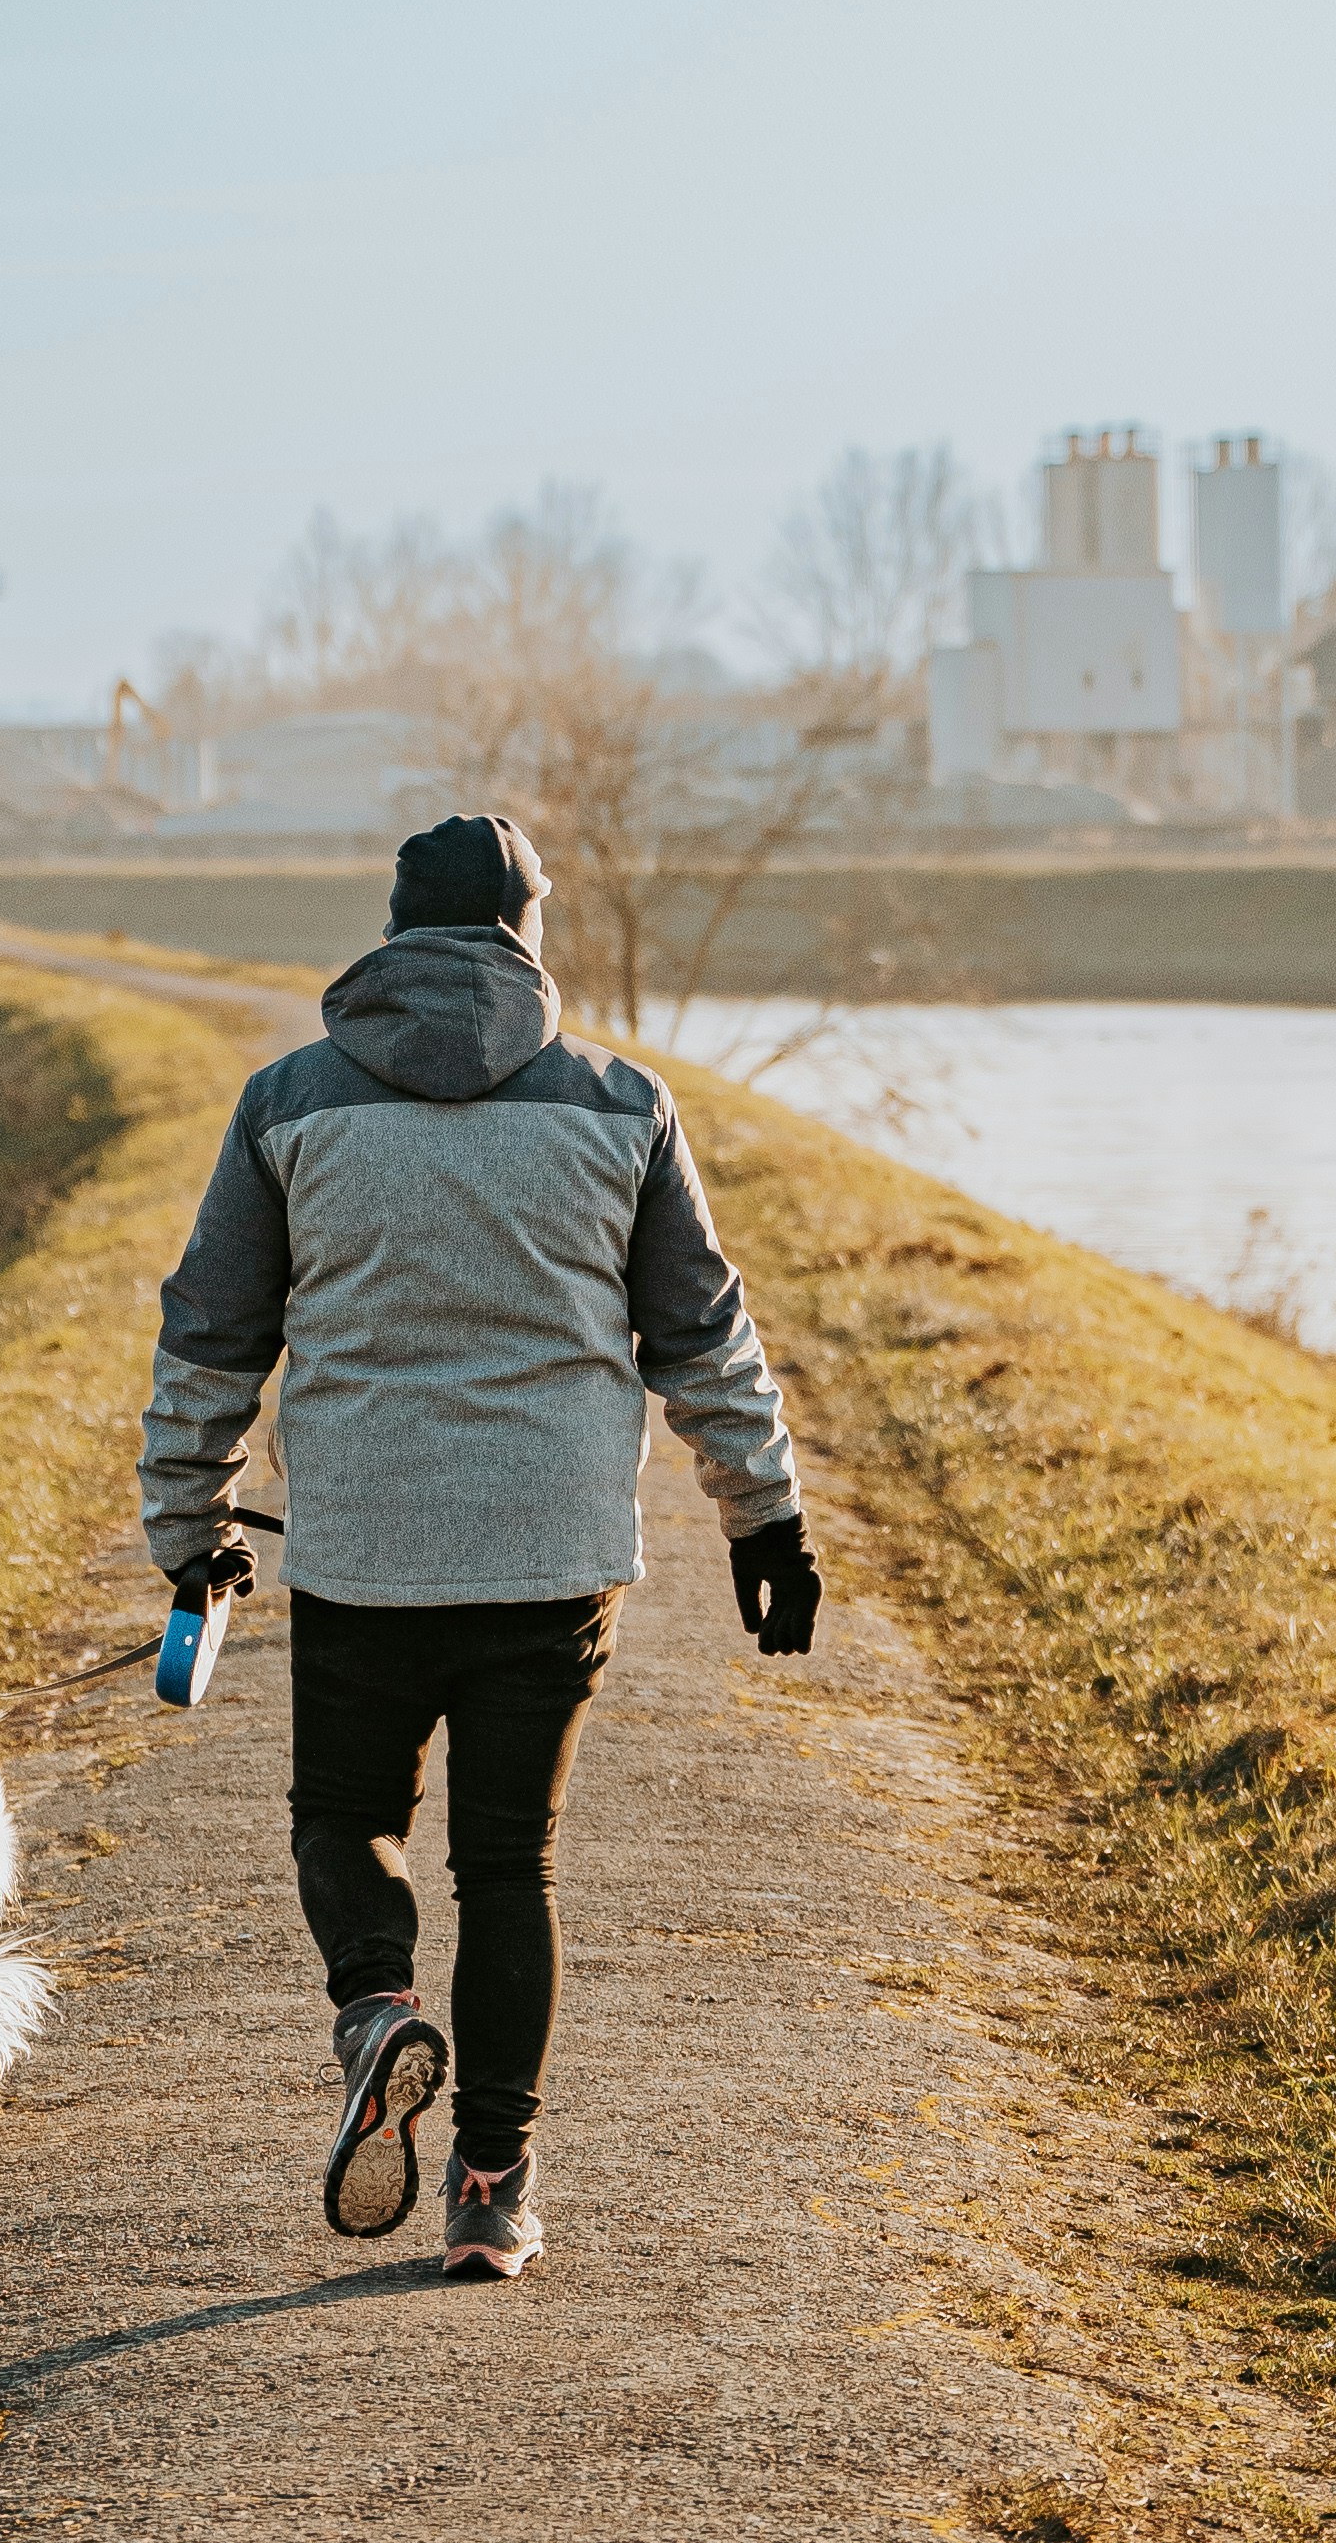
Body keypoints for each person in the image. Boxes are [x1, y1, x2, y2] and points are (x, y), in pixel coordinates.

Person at [138, 804, 823, 2286]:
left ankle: (380, 2010)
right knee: (510, 1869)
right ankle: (491, 2189)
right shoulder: (620, 1104)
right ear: (528, 932)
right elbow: (703, 1338)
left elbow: (212, 1337)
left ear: (393, 929)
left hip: (365, 1556)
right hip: (551, 1559)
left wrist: (187, 1526)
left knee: (345, 1820)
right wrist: (765, 1518)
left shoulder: (288, 1104)